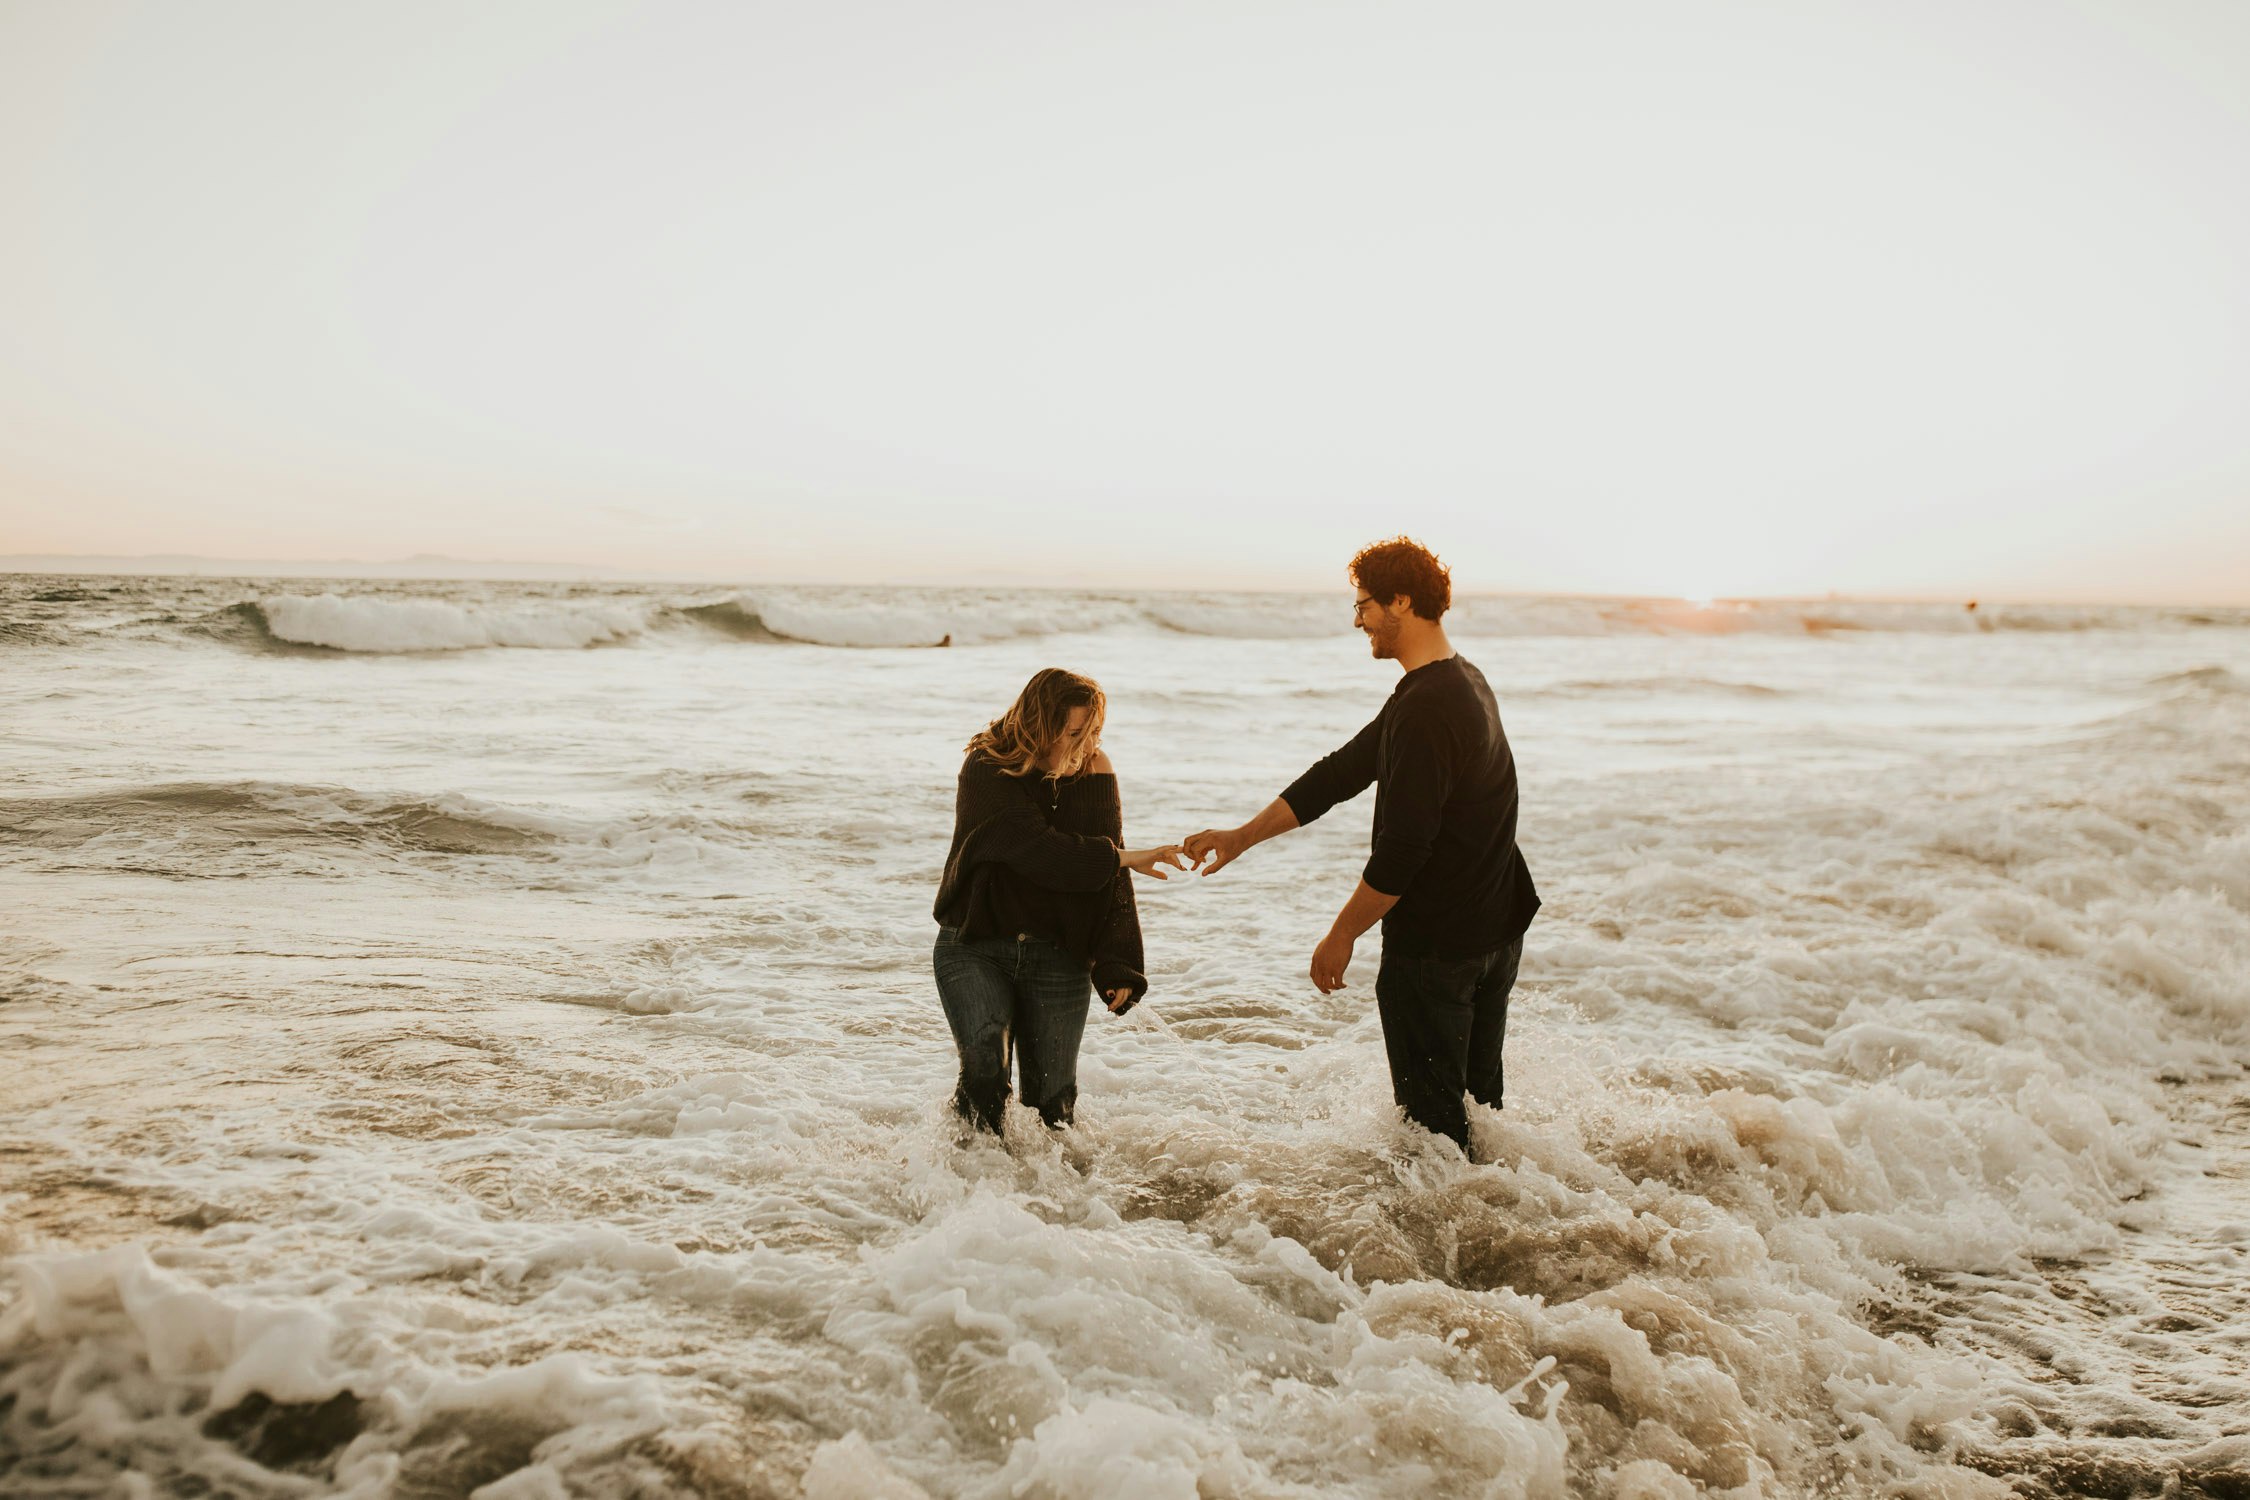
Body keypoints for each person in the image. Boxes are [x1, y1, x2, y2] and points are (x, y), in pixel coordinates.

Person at [1184, 538, 1539, 1152]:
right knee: (1479, 1115)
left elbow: (1404, 850)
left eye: (1364, 605)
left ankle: (1452, 1215)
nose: (1358, 621)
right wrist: (1242, 837)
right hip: (1492, 933)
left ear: (1401, 601)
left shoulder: (1427, 707)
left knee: (1432, 1135)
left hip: (1437, 951)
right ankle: (1508, 1205)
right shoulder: (1460, 681)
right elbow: (1342, 771)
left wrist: (1342, 934)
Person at [932, 668, 1188, 1133]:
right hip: (975, 945)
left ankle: (1048, 1181)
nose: (1087, 746)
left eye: (1094, 732)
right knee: (985, 1073)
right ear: (1039, 728)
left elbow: (1106, 876)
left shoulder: (1094, 768)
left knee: (1054, 1108)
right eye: (1074, 734)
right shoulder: (986, 767)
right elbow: (1039, 850)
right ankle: (968, 1171)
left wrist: (1118, 960)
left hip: (1057, 952)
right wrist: (1124, 857)